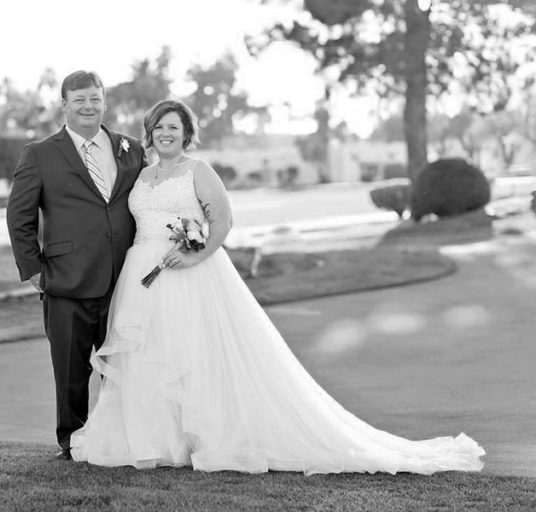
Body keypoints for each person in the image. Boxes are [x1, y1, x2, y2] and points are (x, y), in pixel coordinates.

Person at [69, 99, 485, 474]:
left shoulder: (199, 171)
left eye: (174, 128)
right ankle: (155, 440)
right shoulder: (141, 177)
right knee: (149, 356)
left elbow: (223, 223)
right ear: (150, 132)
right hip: (142, 276)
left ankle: (201, 437)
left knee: (193, 355)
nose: (166, 134)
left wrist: (194, 254)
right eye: (159, 127)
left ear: (186, 134)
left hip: (190, 276)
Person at [6, 71, 147, 461]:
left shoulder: (131, 148)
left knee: (122, 366)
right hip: (65, 279)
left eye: (95, 99)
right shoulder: (39, 154)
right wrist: (33, 269)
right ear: (64, 105)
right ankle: (71, 441)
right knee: (70, 370)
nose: (89, 107)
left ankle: (123, 435)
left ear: (104, 102)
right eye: (80, 100)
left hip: (124, 279)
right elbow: (19, 216)